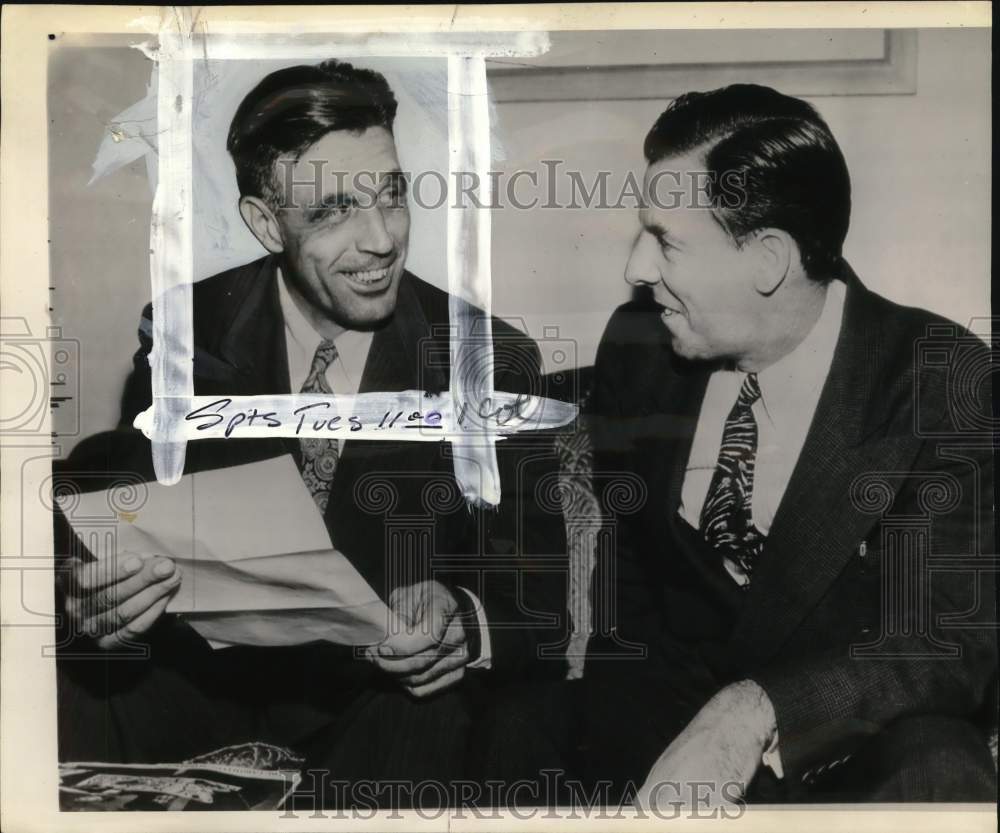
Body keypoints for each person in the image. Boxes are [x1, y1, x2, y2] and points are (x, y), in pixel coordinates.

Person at [54, 59, 568, 807]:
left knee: (440, 720)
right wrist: (97, 596)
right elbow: (128, 521)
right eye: (332, 211)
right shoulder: (184, 331)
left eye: (391, 194)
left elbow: (541, 596)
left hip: (384, 705)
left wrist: (465, 619)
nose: (383, 238)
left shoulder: (488, 357)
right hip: (204, 693)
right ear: (266, 222)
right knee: (74, 690)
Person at [483, 84, 995, 805]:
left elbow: (949, 640)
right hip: (662, 722)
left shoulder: (939, 378)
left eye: (666, 240)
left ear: (768, 260)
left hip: (844, 745)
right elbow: (626, 589)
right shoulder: (640, 347)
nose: (636, 267)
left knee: (940, 768)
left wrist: (757, 711)